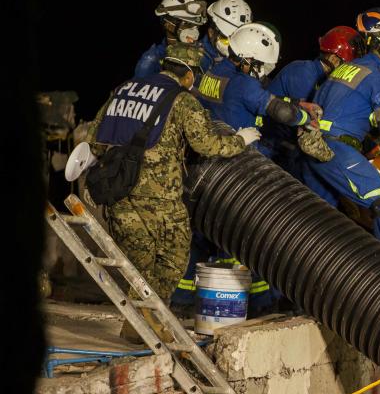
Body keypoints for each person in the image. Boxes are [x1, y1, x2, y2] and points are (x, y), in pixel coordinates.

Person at [85, 43, 255, 335]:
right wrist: (241, 140)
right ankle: (147, 325)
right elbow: (207, 144)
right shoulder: (182, 100)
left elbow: (94, 139)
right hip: (161, 200)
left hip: (119, 193)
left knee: (139, 268)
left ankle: (139, 326)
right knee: (174, 259)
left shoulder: (124, 90)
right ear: (189, 74)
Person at [179, 22, 316, 314]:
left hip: (203, 171)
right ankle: (260, 305)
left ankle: (182, 302)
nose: (263, 73)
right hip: (239, 173)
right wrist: (304, 118)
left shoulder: (212, 74)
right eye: (262, 67)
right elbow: (278, 111)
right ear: (249, 59)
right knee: (250, 242)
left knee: (199, 242)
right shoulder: (244, 84)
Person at [301, 18, 380, 261]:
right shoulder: (378, 76)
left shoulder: (346, 68)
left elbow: (346, 111)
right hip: (336, 150)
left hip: (313, 148)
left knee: (316, 224)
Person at [265, 25, 364, 176]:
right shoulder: (304, 72)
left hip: (284, 144)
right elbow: (308, 120)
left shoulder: (321, 79)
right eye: (346, 64)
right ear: (333, 58)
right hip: (272, 145)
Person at [135, 0, 207, 78]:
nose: (195, 31)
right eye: (188, 24)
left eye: (197, 26)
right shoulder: (151, 61)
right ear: (168, 24)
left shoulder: (202, 53)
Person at [199, 0, 252, 73]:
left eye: (238, 41)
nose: (233, 47)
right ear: (211, 32)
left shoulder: (244, 60)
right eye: (226, 39)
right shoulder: (196, 58)